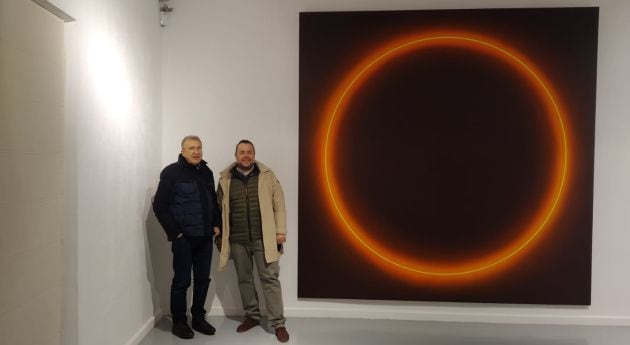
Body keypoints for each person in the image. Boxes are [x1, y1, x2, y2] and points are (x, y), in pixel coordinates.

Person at [216, 139, 289, 343]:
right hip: (238, 240)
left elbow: (279, 203)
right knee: (245, 280)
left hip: (263, 238)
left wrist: (280, 231)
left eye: (249, 152)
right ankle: (252, 316)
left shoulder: (267, 175)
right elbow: (219, 209)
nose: (246, 155)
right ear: (236, 155)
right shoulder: (225, 179)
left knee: (270, 280)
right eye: (242, 152)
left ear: (254, 154)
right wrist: (218, 234)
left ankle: (278, 323)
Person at [153, 135, 221, 339]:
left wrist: (216, 224)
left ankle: (198, 318)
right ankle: (179, 322)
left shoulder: (207, 172)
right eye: (191, 148)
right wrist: (176, 233)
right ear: (182, 150)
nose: (196, 151)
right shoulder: (171, 172)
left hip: (204, 237)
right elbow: (160, 205)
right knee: (182, 281)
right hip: (184, 239)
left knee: (202, 279)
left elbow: (213, 201)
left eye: (199, 147)